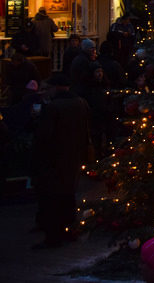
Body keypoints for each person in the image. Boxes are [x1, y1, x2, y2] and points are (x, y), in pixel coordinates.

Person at [31, 72, 93, 248]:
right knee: (68, 196)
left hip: (53, 159)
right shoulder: (81, 103)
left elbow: (44, 137)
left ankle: (54, 236)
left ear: (56, 88)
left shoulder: (52, 108)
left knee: (52, 198)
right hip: (73, 157)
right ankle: (70, 230)